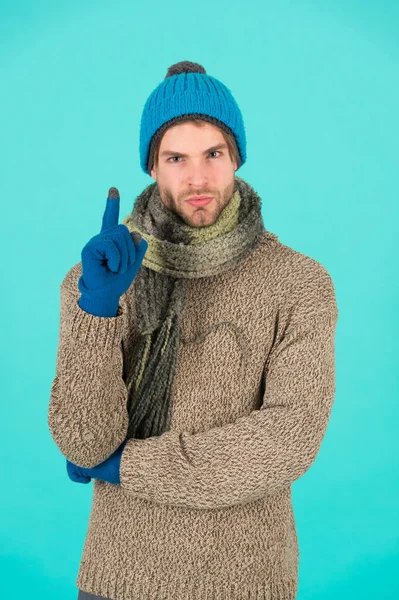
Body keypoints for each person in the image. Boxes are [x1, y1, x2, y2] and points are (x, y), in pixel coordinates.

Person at [47, 60, 339, 600]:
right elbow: (85, 444)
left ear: (236, 159)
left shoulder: (299, 282)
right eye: (175, 157)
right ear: (152, 167)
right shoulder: (101, 276)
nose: (197, 178)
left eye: (213, 154)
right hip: (120, 577)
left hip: (249, 581)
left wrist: (130, 466)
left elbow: (287, 440)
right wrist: (97, 310)